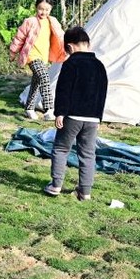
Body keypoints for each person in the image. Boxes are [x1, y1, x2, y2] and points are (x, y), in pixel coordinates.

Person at [44, 26, 108, 201]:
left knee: (61, 148)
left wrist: (60, 113)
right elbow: (102, 93)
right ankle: (85, 192)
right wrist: (98, 117)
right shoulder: (100, 66)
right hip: (92, 118)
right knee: (87, 154)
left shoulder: (71, 64)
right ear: (88, 43)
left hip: (72, 116)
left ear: (70, 47)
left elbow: (64, 90)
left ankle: (56, 186)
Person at [9, 0, 66, 121]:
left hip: (44, 57)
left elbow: (61, 36)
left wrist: (66, 50)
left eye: (46, 9)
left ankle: (29, 108)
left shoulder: (53, 21)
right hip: (32, 56)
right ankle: (49, 109)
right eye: (41, 8)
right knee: (45, 78)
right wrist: (13, 51)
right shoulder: (30, 22)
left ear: (51, 9)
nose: (43, 12)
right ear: (36, 7)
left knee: (36, 82)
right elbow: (19, 37)